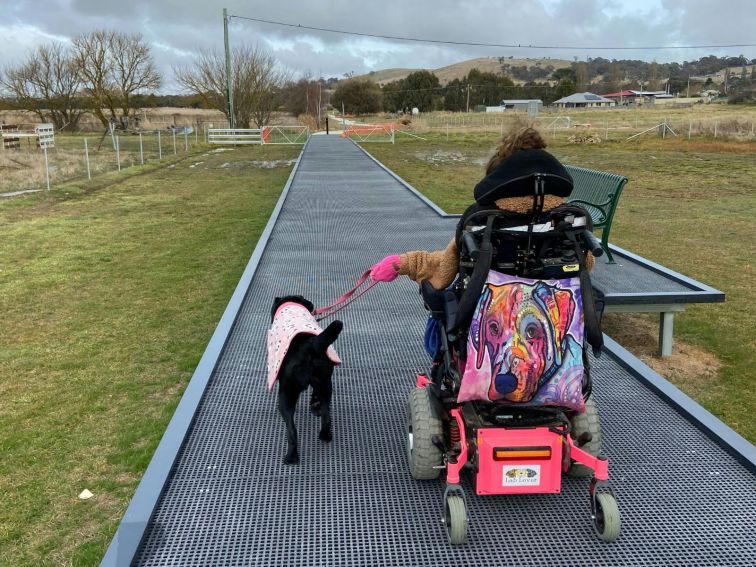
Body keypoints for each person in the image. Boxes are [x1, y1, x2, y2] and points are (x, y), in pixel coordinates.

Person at [369, 125, 592, 288]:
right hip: (558, 328)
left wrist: (404, 262)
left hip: (487, 329)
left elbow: (444, 267)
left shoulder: (481, 220)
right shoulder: (571, 222)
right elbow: (587, 265)